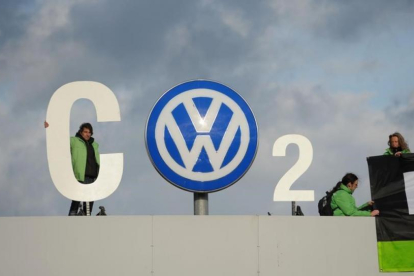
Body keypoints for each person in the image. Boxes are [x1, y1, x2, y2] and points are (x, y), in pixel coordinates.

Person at [45, 121, 100, 215]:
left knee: (90, 200)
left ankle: (87, 218)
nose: (88, 134)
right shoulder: (74, 141)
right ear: (81, 132)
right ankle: (72, 218)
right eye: (86, 132)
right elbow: (60, 140)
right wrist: (50, 128)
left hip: (93, 176)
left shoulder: (94, 144)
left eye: (89, 132)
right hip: (80, 175)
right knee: (77, 199)